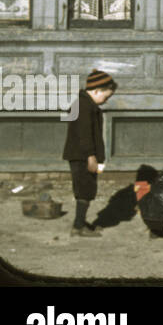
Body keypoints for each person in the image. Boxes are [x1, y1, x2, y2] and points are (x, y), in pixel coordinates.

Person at [61, 69, 116, 238]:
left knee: (88, 188)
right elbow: (84, 135)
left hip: (84, 156)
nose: (105, 101)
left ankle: (81, 222)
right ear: (97, 90)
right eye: (105, 97)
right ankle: (78, 227)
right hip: (83, 157)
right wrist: (90, 157)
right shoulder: (84, 106)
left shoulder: (85, 104)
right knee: (84, 190)